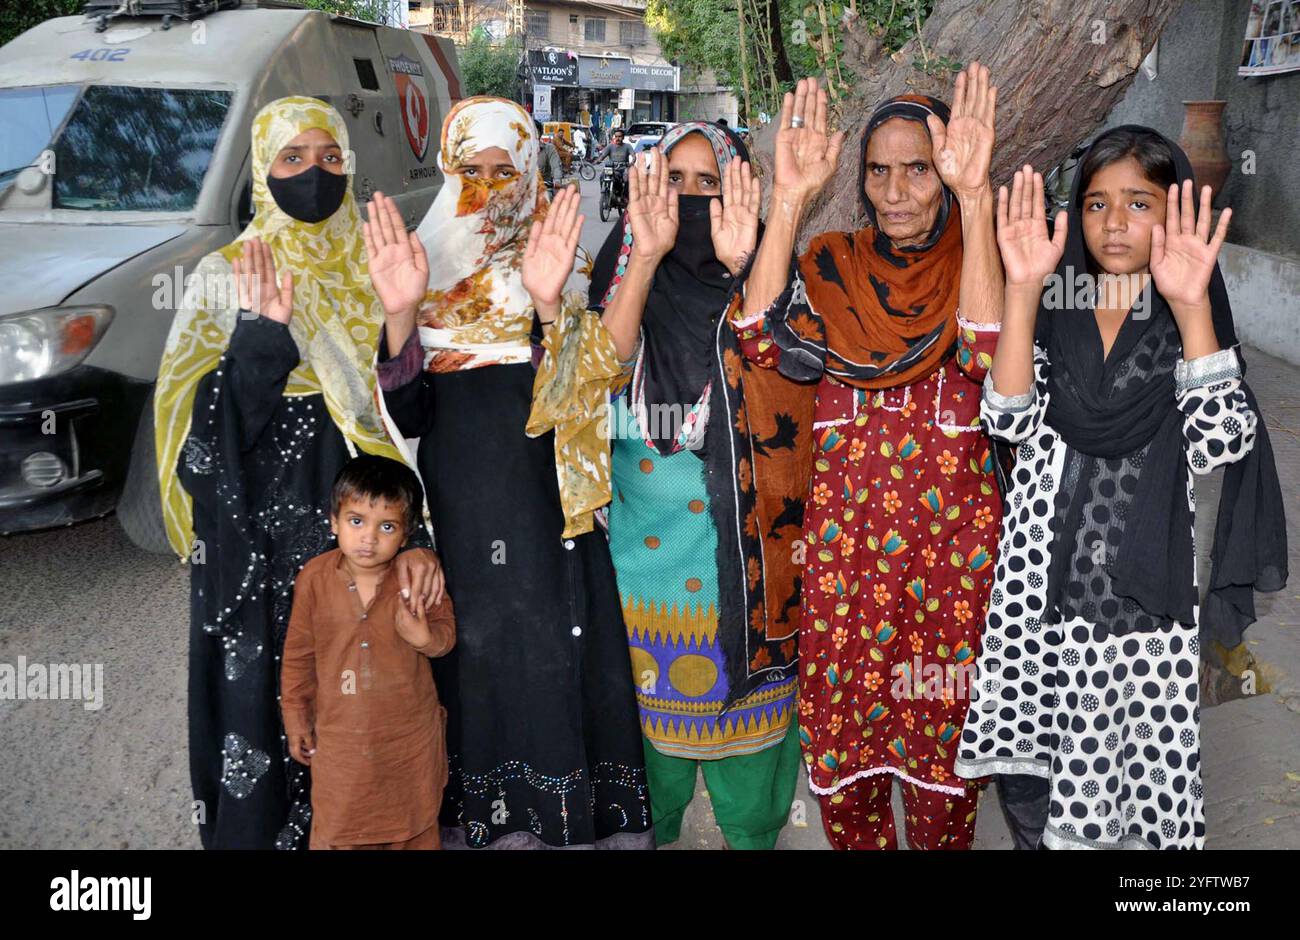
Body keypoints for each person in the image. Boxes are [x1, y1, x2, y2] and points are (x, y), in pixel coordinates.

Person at [953, 127, 1288, 850]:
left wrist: (1192, 304)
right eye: (1098, 203)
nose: (1114, 222)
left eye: (1139, 202)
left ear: (1173, 214)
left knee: (1125, 801)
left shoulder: (1182, 323)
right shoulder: (1056, 307)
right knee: (1033, 790)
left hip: (1135, 612)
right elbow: (1007, 417)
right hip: (1036, 596)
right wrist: (1021, 289)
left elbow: (1222, 441)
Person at [154, 96, 443, 850]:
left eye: (330, 158)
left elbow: (410, 415)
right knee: (283, 696)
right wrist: (261, 339)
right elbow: (202, 449)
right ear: (261, 170)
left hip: (366, 513)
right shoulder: (229, 274)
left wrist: (403, 318)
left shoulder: (378, 262)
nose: (314, 173)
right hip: (267, 539)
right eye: (292, 158)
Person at [365, 96, 653, 849]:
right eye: (473, 171)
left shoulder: (557, 263)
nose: (491, 188)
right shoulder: (420, 269)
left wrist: (552, 305)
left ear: (531, 173)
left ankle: (569, 823)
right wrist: (400, 318)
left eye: (506, 170)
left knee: (557, 650)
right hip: (466, 509)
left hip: (550, 503)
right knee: (482, 655)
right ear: (449, 173)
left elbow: (590, 395)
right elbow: (407, 414)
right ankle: (490, 824)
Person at [732, 66, 1006, 849]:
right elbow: (757, 337)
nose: (895, 191)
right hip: (844, 587)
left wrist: (979, 197)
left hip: (951, 592)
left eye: (917, 168)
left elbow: (987, 355)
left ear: (945, 173)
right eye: (878, 171)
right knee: (848, 800)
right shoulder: (830, 265)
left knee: (942, 797)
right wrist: (786, 197)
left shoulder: (980, 266)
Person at [530, 123, 812, 848]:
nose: (687, 199)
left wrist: (747, 263)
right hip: (642, 584)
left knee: (750, 790)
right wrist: (646, 259)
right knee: (650, 774)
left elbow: (785, 371)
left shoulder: (771, 282)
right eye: (674, 181)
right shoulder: (622, 273)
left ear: (738, 193)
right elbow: (593, 378)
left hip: (743, 581)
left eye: (707, 184)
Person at [281, 455, 456, 850]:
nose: (368, 538)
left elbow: (446, 637)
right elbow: (298, 655)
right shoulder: (314, 578)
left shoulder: (415, 578)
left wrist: (423, 638)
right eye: (356, 521)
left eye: (387, 526)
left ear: (407, 533)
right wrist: (295, 718)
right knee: (340, 825)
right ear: (334, 521)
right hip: (340, 742)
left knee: (414, 823)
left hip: (407, 741)